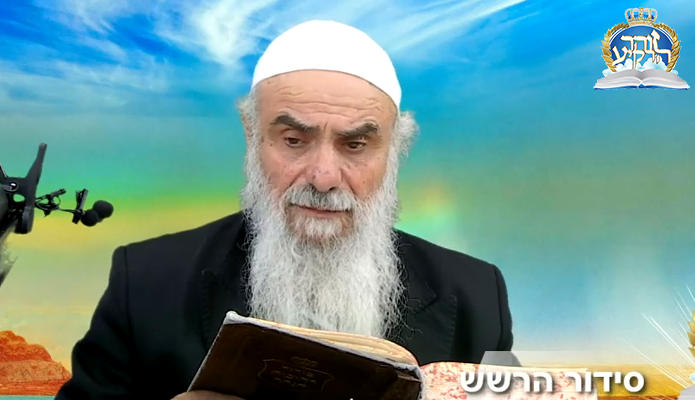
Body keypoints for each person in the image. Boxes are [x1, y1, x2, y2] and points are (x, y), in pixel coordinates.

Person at [55, 20, 516, 400]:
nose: (323, 177)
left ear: (395, 150)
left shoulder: (477, 297)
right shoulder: (146, 283)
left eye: (356, 145)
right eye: (294, 141)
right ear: (251, 135)